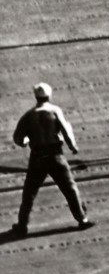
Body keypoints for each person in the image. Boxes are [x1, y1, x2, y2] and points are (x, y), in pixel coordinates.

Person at [10, 83, 93, 237]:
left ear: (36, 96)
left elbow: (18, 138)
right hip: (56, 156)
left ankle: (22, 226)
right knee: (70, 189)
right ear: (49, 95)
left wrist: (26, 141)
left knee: (29, 194)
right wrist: (73, 146)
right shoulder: (55, 111)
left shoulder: (28, 116)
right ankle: (83, 219)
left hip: (37, 158)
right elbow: (66, 130)